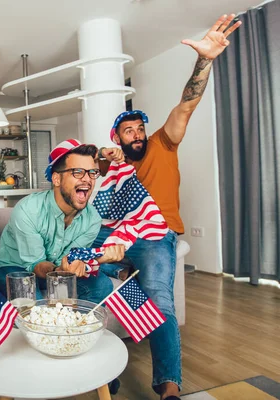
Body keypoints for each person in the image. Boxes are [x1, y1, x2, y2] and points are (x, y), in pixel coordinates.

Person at [96, 14, 241, 400]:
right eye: (129, 131)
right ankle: (102, 374)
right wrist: (101, 160)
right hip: (119, 236)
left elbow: (186, 105)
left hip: (157, 235)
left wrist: (205, 59)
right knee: (80, 269)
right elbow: (91, 199)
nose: (138, 134)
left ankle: (169, 388)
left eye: (140, 128)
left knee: (160, 296)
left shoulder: (163, 142)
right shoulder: (114, 168)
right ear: (118, 137)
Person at [0, 139, 125, 304]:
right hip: (16, 268)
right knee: (33, 303)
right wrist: (63, 270)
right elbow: (36, 264)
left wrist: (87, 261)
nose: (88, 179)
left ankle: (73, 326)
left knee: (101, 285)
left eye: (92, 172)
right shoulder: (28, 209)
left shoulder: (92, 219)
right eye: (78, 172)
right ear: (56, 179)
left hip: (57, 268)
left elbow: (69, 261)